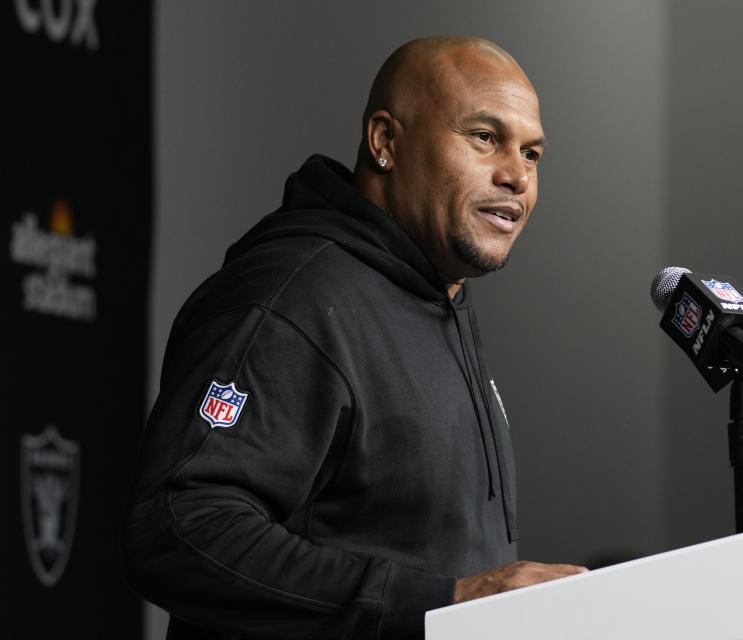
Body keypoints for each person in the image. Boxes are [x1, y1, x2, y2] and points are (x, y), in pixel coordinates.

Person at [122, 36, 586, 640]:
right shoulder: (292, 298)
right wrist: (440, 602)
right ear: (385, 142)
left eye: (533, 154)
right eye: (484, 137)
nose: (516, 176)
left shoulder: (435, 299)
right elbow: (178, 528)